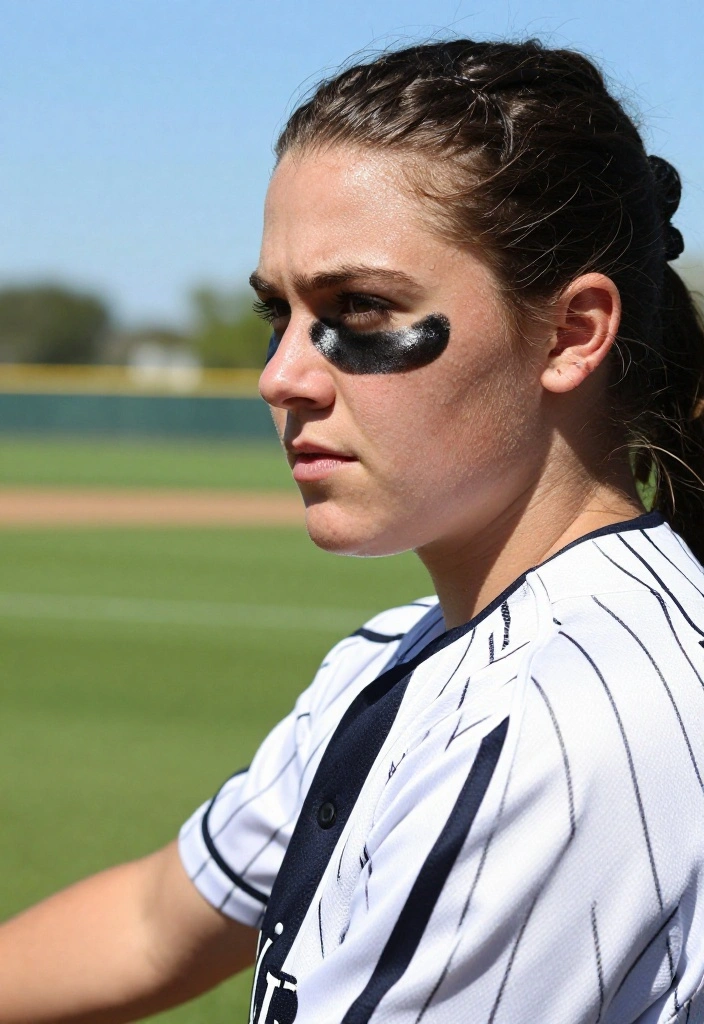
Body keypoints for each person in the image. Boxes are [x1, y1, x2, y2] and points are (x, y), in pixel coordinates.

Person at [2, 36, 704, 1024]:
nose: (280, 374)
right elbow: (154, 926)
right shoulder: (400, 653)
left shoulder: (563, 718)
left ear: (570, 332)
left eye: (360, 308)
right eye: (277, 312)